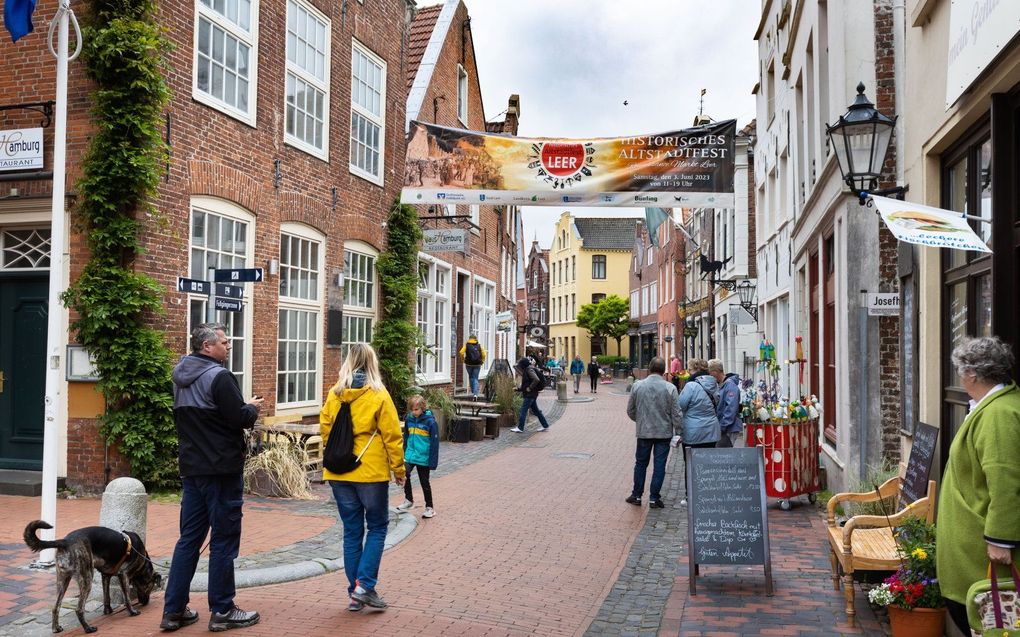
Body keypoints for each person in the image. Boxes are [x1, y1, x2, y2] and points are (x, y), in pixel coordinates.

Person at [162, 324, 263, 632]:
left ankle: (173, 611)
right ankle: (222, 609)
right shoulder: (220, 377)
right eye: (223, 342)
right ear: (207, 347)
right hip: (221, 471)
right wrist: (253, 407)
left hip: (192, 469)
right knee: (223, 540)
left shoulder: (179, 377)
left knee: (189, 540)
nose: (229, 346)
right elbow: (240, 419)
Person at [936, 336, 1020, 635]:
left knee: (988, 621)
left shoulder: (998, 414)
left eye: (960, 370)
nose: (959, 376)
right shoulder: (992, 406)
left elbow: (1005, 477)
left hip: (981, 550)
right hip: (971, 545)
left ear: (972, 374)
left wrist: (1000, 538)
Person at [320, 344, 405, 611]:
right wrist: (399, 470)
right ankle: (364, 586)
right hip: (369, 471)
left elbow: (325, 428)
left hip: (338, 471)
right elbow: (392, 436)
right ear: (372, 362)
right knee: (378, 526)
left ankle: (354, 593)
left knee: (352, 532)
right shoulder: (379, 394)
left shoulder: (335, 393)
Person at [625, 357, 682, 509]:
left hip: (644, 432)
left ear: (649, 368)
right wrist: (678, 431)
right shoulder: (670, 388)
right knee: (659, 466)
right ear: (664, 370)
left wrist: (640, 420)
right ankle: (654, 498)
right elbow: (676, 413)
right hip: (663, 433)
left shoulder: (638, 386)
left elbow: (630, 410)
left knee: (641, 464)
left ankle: (637, 495)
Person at [676, 358, 721, 506]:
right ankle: (707, 493)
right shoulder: (714, 384)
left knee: (690, 463)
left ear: (693, 369)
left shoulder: (691, 386)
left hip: (693, 431)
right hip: (711, 430)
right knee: (707, 463)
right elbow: (718, 402)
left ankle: (690, 495)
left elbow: (680, 405)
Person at [395, 394, 439, 519]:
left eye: (416, 409)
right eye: (412, 410)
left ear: (422, 408)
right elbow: (406, 437)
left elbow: (435, 443)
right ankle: (409, 500)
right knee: (404, 474)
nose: (414, 412)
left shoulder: (430, 422)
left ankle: (430, 508)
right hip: (410, 455)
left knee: (424, 482)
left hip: (423, 457)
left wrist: (432, 462)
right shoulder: (409, 419)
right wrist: (404, 451)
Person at [510, 357, 550, 433]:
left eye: (520, 365)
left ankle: (520, 427)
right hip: (532, 394)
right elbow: (527, 384)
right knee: (537, 411)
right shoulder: (528, 369)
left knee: (523, 410)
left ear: (523, 365)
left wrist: (530, 388)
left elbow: (536, 379)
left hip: (530, 394)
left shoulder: (529, 370)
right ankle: (545, 425)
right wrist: (518, 389)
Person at [708, 359, 742, 447]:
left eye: (710, 373)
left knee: (725, 455)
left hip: (729, 428)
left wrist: (723, 426)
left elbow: (731, 408)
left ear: (715, 372)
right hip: (725, 427)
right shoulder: (721, 385)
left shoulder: (730, 385)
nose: (709, 376)